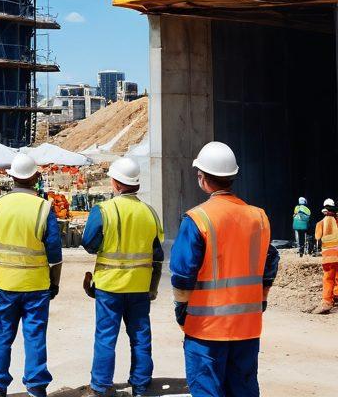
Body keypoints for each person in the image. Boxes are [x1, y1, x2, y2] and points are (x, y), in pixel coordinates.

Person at [170, 142, 279, 397]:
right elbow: (269, 265)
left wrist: (181, 309)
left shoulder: (198, 219)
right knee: (243, 389)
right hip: (247, 328)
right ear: (232, 177)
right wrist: (260, 301)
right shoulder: (259, 217)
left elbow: (183, 274)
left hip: (206, 329)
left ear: (202, 178)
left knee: (208, 390)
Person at [80, 156, 164, 397]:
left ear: (115, 183)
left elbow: (89, 244)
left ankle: (101, 385)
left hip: (109, 287)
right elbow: (157, 251)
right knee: (140, 336)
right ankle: (140, 384)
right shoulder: (149, 212)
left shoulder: (104, 210)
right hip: (138, 286)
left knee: (106, 337)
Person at [0, 151, 62, 397]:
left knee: (2, 335)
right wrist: (55, 283)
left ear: (12, 177)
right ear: (35, 177)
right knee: (35, 335)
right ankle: (36, 386)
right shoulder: (43, 207)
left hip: (6, 284)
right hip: (36, 285)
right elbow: (55, 253)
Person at [314, 198, 338, 314]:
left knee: (328, 279)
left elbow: (318, 237)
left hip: (328, 257)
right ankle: (337, 296)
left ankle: (327, 302)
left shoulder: (320, 223)